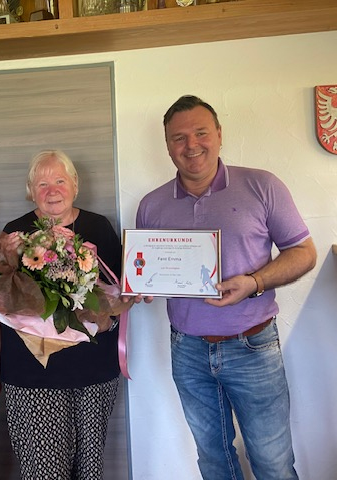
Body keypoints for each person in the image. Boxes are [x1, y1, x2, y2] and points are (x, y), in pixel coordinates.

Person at [136, 95, 317, 480]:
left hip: (253, 346)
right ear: (167, 145)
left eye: (201, 133)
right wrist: (144, 285)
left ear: (219, 134)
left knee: (273, 463)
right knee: (213, 460)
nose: (191, 145)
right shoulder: (151, 205)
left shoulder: (262, 185)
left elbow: (303, 253)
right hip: (187, 349)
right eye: (178, 138)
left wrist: (255, 282)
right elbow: (147, 269)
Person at [0, 149, 122, 480]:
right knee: (44, 470)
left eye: (60, 181)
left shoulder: (99, 227)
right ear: (30, 190)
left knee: (89, 468)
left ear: (75, 185)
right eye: (42, 184)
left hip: (92, 368)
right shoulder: (15, 232)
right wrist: (7, 260)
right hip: (33, 372)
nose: (52, 191)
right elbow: (1, 300)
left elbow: (118, 289)